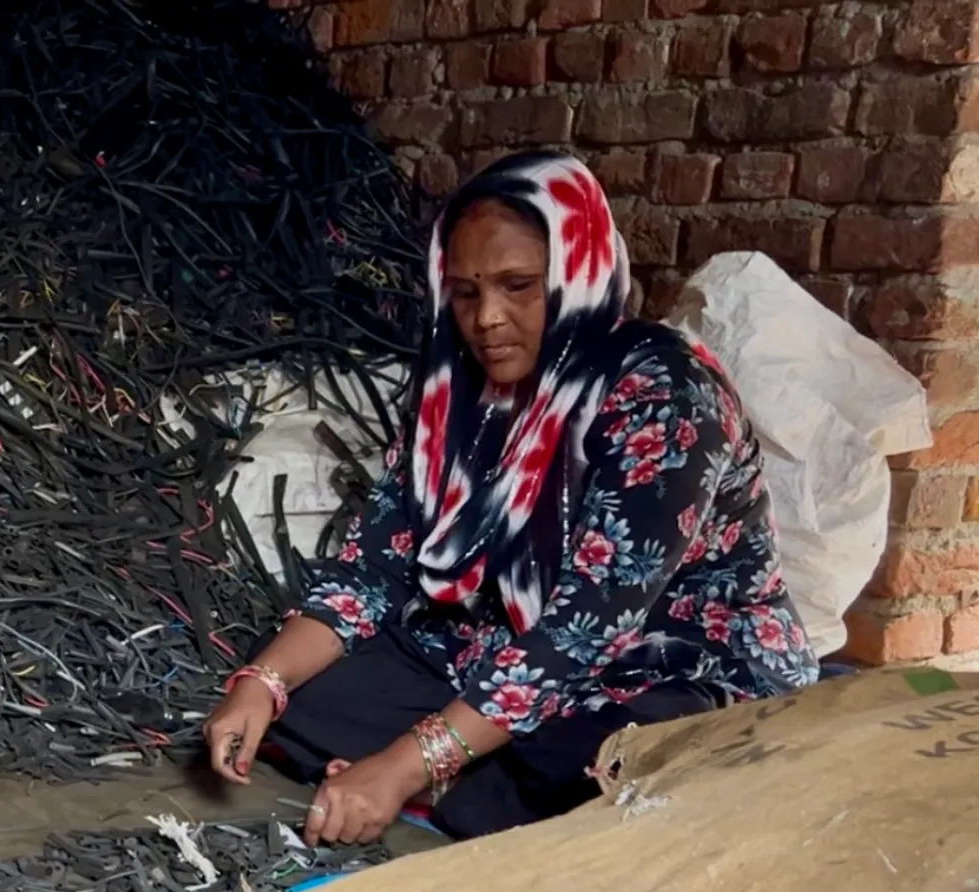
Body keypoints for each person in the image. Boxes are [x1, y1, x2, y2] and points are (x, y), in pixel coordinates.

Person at [204, 152, 817, 842]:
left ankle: (460, 775)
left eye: (518, 285)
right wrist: (261, 681)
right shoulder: (461, 391)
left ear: (579, 271)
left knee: (575, 773)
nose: (487, 318)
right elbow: (374, 566)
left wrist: (403, 766)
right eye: (465, 293)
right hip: (500, 638)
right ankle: (461, 764)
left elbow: (582, 632)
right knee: (297, 706)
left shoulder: (665, 394)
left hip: (665, 660)